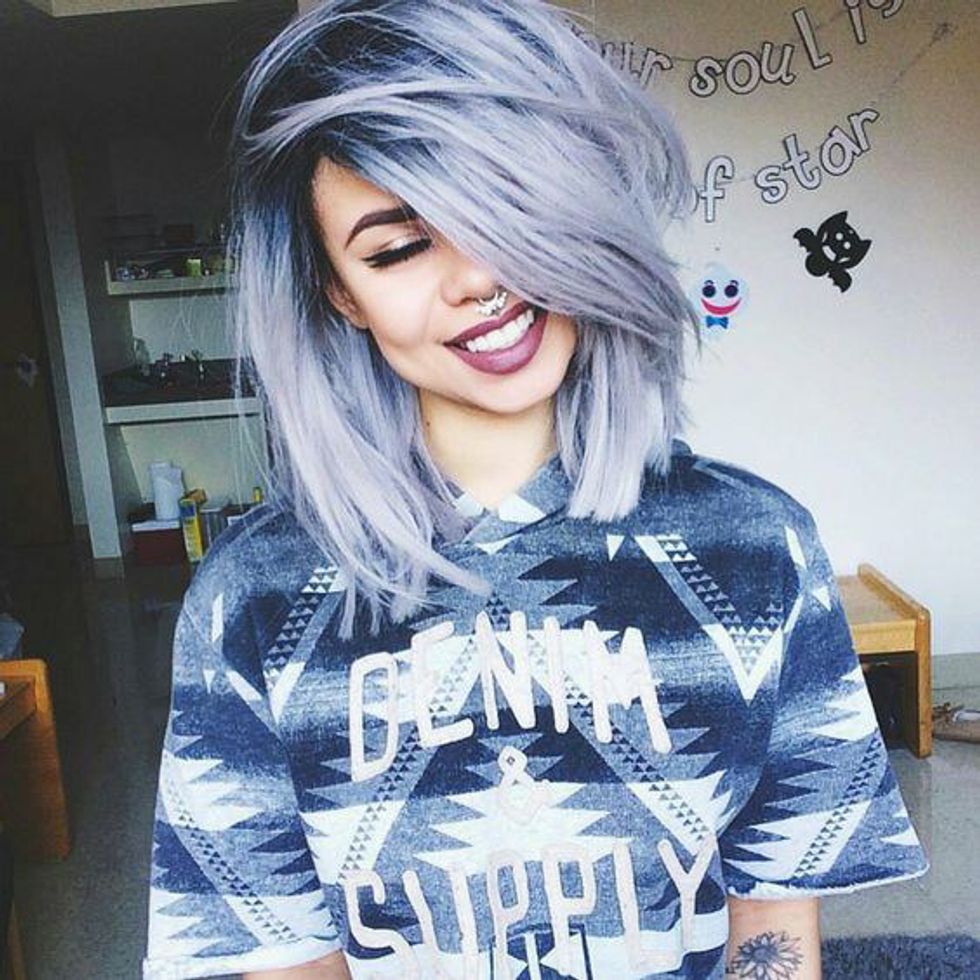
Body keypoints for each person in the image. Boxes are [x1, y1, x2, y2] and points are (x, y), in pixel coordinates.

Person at [142, 1, 928, 977]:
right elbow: (287, 957)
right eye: (398, 247)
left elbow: (773, 930)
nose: (476, 277)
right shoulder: (249, 601)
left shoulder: (757, 548)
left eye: (504, 207)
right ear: (339, 292)